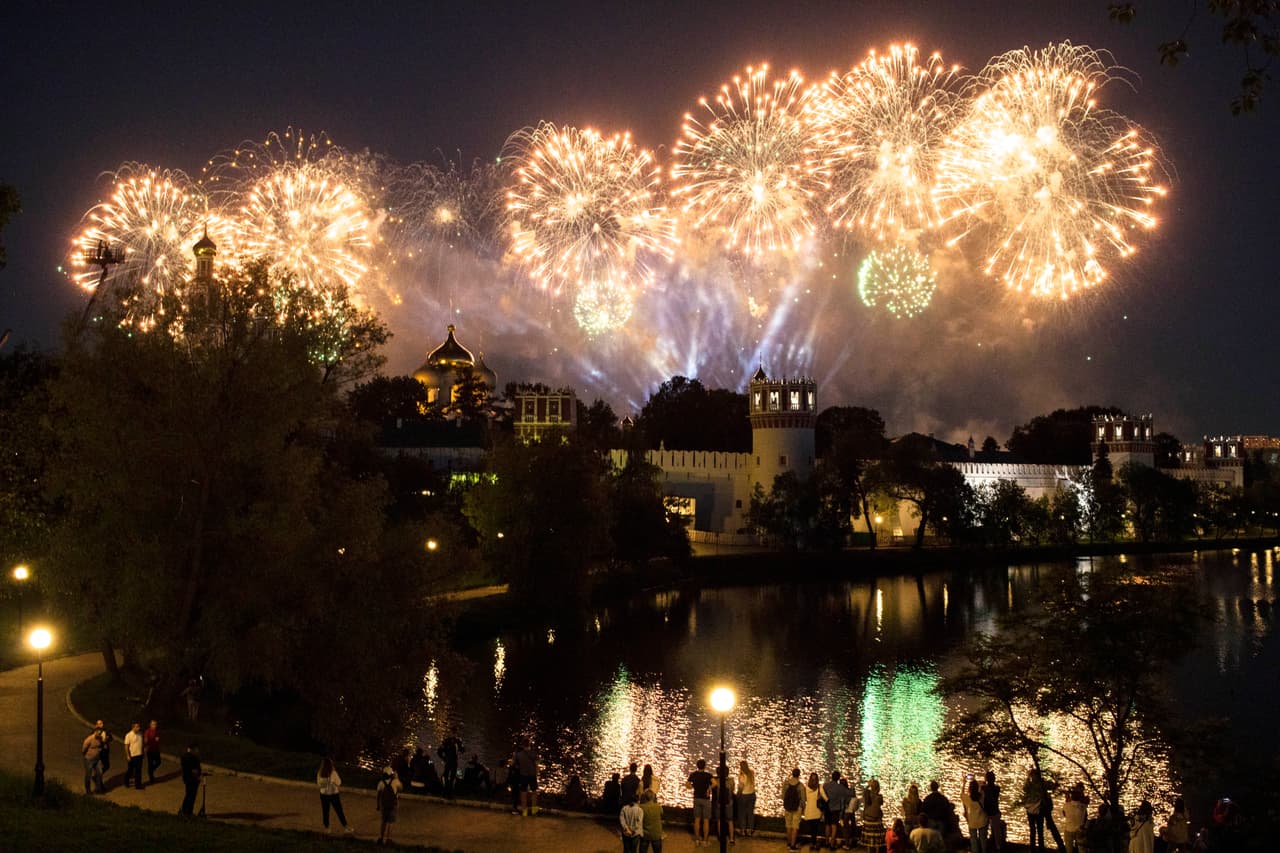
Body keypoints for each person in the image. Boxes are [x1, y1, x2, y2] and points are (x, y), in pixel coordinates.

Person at [317, 757, 353, 833]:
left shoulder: (320, 773)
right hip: (333, 794)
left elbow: (319, 784)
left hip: (324, 795)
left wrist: (325, 783)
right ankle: (346, 827)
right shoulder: (333, 773)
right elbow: (339, 782)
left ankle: (327, 828)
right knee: (339, 811)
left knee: (325, 811)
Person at [686, 758, 713, 846]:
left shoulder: (693, 775)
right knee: (706, 820)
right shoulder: (708, 775)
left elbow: (688, 785)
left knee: (697, 819)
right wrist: (709, 788)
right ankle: (705, 840)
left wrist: (693, 787)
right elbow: (715, 783)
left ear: (697, 766)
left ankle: (697, 839)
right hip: (706, 799)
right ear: (704, 766)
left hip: (696, 798)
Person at [1022, 768, 1048, 851]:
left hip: (1033, 810)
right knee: (1038, 831)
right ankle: (1039, 848)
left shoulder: (1032, 784)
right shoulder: (1040, 784)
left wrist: (1027, 778)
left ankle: (1034, 848)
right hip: (1037, 810)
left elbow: (1025, 789)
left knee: (1034, 831)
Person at [961, 776, 989, 853]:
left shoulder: (968, 799)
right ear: (977, 788)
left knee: (973, 840)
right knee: (983, 839)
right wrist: (981, 783)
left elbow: (962, 794)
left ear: (969, 789)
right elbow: (981, 790)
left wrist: (964, 782)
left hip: (972, 822)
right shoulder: (982, 796)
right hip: (982, 820)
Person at [376, 765, 402, 846]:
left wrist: (378, 805)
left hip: (384, 804)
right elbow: (401, 788)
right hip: (393, 804)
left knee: (383, 821)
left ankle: (381, 838)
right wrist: (397, 778)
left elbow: (378, 796)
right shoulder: (395, 782)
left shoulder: (380, 783)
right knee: (390, 822)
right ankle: (388, 839)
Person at [800, 771, 826, 851]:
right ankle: (814, 843)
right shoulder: (820, 787)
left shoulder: (806, 787)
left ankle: (812, 843)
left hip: (809, 810)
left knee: (811, 828)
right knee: (815, 828)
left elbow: (805, 798)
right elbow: (825, 797)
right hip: (817, 810)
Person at [822, 771, 848, 851]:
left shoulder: (826, 785)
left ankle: (826, 842)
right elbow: (842, 800)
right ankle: (832, 844)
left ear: (831, 776)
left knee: (827, 825)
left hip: (827, 808)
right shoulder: (840, 787)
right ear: (838, 778)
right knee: (834, 827)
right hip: (835, 809)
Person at [513, 741, 539, 816]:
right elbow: (537, 765)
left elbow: (514, 764)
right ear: (529, 745)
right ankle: (534, 811)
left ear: (522, 745)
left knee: (523, 793)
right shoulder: (534, 753)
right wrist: (536, 774)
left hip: (523, 775)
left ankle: (524, 812)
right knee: (534, 793)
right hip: (532, 776)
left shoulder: (518, 755)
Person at [782, 768, 805, 852]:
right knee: (795, 826)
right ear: (799, 775)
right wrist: (803, 809)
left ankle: (788, 843)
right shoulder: (800, 785)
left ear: (792, 774)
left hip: (787, 808)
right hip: (797, 808)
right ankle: (793, 845)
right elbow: (803, 799)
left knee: (788, 825)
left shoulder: (786, 783)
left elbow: (783, 795)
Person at [1060, 785, 1088, 853]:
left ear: (1071, 796)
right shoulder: (1083, 806)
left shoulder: (1066, 805)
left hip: (1069, 829)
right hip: (1080, 829)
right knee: (1082, 850)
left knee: (1069, 850)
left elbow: (1064, 814)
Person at [81, 723, 107, 794]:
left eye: (100, 733)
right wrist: (87, 755)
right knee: (88, 775)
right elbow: (83, 749)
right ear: (95, 731)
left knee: (99, 773)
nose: (100, 734)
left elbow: (101, 745)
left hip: (97, 759)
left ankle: (98, 789)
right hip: (89, 759)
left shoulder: (100, 738)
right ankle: (88, 791)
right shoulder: (89, 739)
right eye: (98, 733)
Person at [711, 772, 734, 846]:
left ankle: (721, 838)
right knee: (730, 821)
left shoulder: (717, 781)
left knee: (719, 821)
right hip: (729, 803)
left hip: (719, 803)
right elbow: (733, 790)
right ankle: (731, 839)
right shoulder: (731, 780)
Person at [437, 734, 464, 799]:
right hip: (451, 762)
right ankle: (447, 793)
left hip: (451, 762)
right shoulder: (450, 741)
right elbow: (439, 751)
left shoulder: (455, 741)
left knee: (450, 777)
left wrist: (443, 758)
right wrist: (443, 758)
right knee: (448, 777)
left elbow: (462, 750)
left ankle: (447, 793)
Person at [179, 743, 202, 816]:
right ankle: (187, 811)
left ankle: (184, 810)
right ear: (193, 749)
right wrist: (197, 776)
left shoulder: (184, 756)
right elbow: (194, 769)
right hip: (192, 779)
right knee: (191, 795)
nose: (198, 751)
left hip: (187, 778)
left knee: (188, 794)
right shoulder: (193, 757)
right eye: (197, 749)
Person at [983, 771, 1003, 851]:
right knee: (996, 830)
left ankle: (984, 846)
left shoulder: (984, 788)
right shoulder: (997, 788)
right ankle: (998, 846)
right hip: (995, 811)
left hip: (986, 812)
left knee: (984, 829)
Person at [735, 760, 757, 837]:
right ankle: (750, 830)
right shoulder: (751, 773)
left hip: (744, 795)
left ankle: (743, 830)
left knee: (742, 813)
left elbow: (741, 787)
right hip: (752, 794)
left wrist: (737, 795)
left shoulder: (742, 775)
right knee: (750, 813)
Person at [639, 789, 665, 853]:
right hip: (656, 833)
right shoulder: (658, 807)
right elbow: (662, 813)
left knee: (643, 850)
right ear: (653, 797)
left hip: (645, 833)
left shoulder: (641, 807)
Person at [123, 722, 145, 790]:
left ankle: (138, 785)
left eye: (139, 727)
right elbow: (126, 746)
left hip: (139, 755)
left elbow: (142, 744)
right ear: (133, 727)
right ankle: (126, 781)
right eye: (137, 727)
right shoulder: (128, 735)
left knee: (138, 770)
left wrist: (143, 752)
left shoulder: (140, 734)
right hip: (132, 755)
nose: (138, 728)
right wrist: (128, 755)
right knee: (130, 770)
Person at [144, 720, 162, 784]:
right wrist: (146, 745)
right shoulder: (147, 731)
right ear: (150, 725)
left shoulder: (157, 731)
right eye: (153, 724)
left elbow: (158, 739)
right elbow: (145, 740)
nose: (155, 725)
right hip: (150, 750)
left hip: (156, 749)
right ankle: (151, 778)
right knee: (150, 764)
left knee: (159, 762)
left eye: (155, 724)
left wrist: (158, 741)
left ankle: (151, 770)